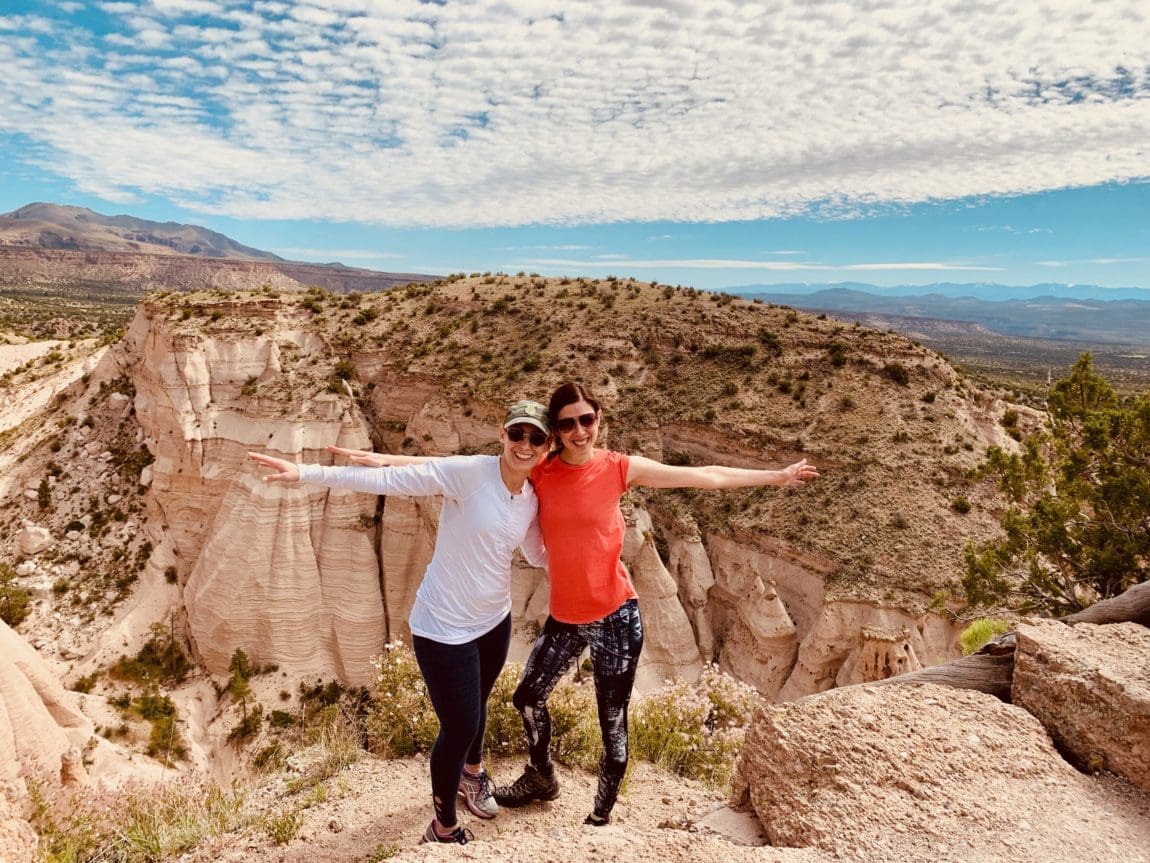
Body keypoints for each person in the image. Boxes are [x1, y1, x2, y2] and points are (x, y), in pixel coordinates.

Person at [492, 381, 819, 825]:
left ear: (598, 419)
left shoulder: (619, 467)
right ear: (555, 429)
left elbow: (704, 476)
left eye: (586, 420)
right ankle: (541, 777)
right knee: (528, 698)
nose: (578, 431)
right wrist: (376, 463)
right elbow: (464, 471)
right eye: (567, 423)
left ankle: (599, 819)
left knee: (613, 725)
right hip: (565, 617)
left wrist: (776, 476)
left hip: (616, 617)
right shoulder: (542, 472)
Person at [247, 400, 553, 846]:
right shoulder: (469, 473)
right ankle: (443, 825)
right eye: (517, 434)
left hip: (494, 620)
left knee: (480, 703)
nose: (525, 445)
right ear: (502, 436)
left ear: (546, 448)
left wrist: (594, 539)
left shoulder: (529, 498)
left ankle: (472, 775)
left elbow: (535, 554)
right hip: (443, 625)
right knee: (460, 725)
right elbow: (391, 479)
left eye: (536, 438)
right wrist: (308, 473)